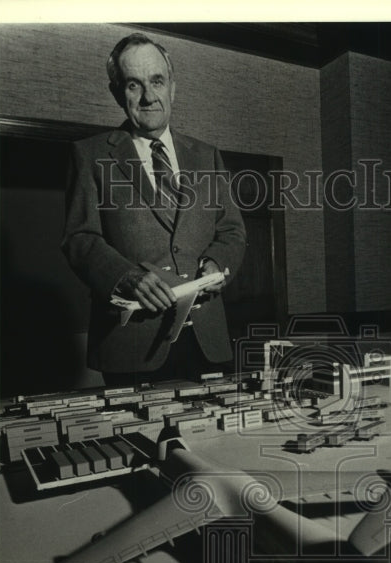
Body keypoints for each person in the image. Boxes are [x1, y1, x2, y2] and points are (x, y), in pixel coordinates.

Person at [62, 33, 246, 386]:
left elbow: (232, 231)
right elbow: (79, 238)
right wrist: (127, 278)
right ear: (118, 93)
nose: (148, 96)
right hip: (131, 347)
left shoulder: (206, 155)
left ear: (172, 87)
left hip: (207, 342)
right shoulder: (90, 155)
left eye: (157, 81)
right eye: (134, 85)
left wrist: (214, 265)